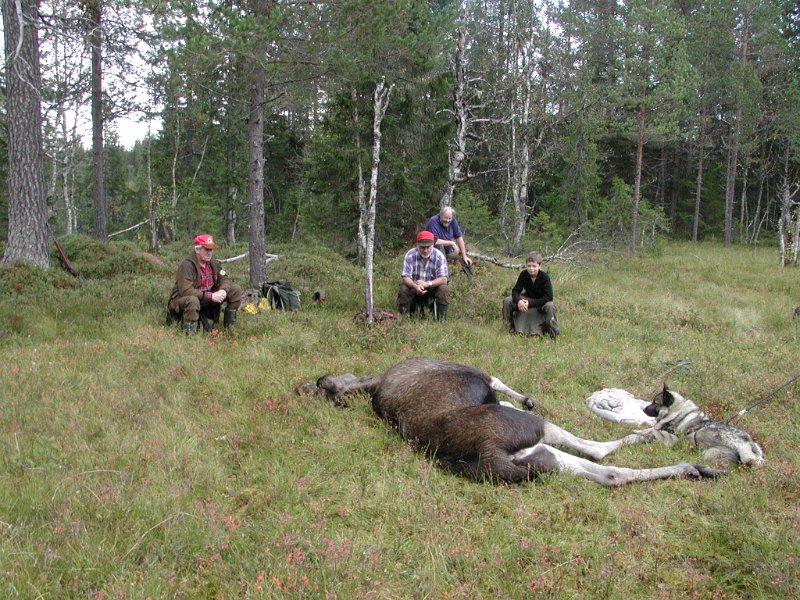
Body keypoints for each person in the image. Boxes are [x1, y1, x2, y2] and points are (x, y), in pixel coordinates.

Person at [168, 234, 243, 333]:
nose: (209, 253)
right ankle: (189, 334)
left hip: (205, 297)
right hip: (185, 299)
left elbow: (224, 278)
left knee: (235, 290)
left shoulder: (213, 263)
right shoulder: (187, 265)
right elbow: (186, 290)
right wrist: (210, 296)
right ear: (197, 250)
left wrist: (223, 290)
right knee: (192, 301)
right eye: (206, 249)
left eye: (211, 250)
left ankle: (229, 329)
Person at [502, 251, 559, 338]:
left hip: (541, 303)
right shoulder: (524, 274)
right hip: (527, 299)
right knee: (507, 300)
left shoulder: (545, 277)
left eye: (534, 266)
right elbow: (515, 291)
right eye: (529, 266)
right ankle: (508, 327)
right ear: (526, 266)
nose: (531, 268)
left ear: (539, 266)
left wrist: (530, 303)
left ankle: (552, 332)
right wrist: (519, 301)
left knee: (550, 306)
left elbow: (548, 297)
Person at [397, 230, 450, 322]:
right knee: (403, 289)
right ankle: (404, 318)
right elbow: (405, 277)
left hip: (432, 287)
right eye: (422, 247)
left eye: (428, 247)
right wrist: (415, 286)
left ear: (433, 245)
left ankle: (441, 320)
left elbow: (444, 279)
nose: (425, 250)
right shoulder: (410, 255)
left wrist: (427, 284)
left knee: (444, 289)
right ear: (417, 245)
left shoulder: (439, 256)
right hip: (414, 286)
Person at [425, 206, 474, 275]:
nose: (448, 220)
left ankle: (471, 279)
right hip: (432, 252)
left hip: (448, 252)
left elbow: (459, 237)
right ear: (440, 215)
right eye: (446, 218)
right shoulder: (433, 221)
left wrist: (464, 256)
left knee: (465, 257)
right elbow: (434, 241)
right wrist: (451, 243)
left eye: (449, 218)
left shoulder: (453, 221)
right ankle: (443, 275)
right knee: (439, 246)